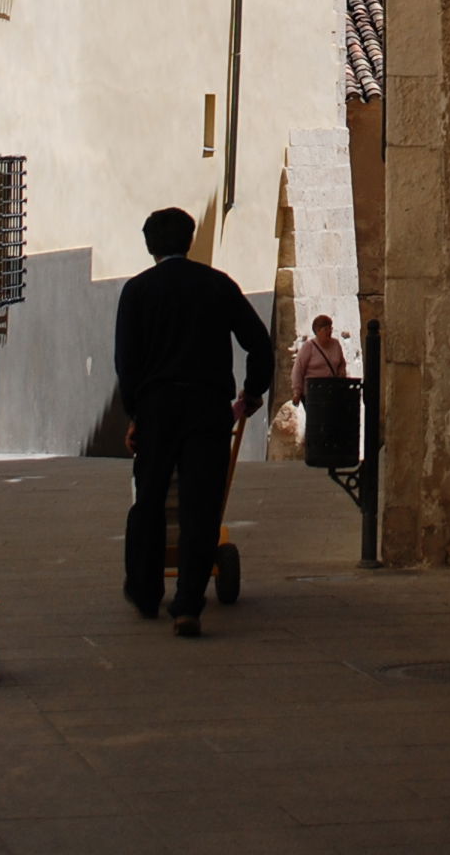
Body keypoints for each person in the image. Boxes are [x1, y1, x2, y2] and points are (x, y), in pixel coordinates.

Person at [114, 207, 272, 637]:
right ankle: (187, 604)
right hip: (208, 407)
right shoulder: (218, 285)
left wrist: (135, 414)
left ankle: (146, 592)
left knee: (148, 499)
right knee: (201, 506)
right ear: (190, 240)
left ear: (150, 246)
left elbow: (126, 363)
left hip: (157, 408)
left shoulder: (137, 292)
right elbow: (259, 342)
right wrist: (253, 390)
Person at [292, 313, 349, 402]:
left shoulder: (336, 344)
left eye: (330, 328)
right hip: (312, 393)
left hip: (331, 391)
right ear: (317, 331)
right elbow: (298, 369)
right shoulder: (309, 346)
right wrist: (297, 391)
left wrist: (341, 373)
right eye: (326, 329)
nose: (329, 331)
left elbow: (341, 363)